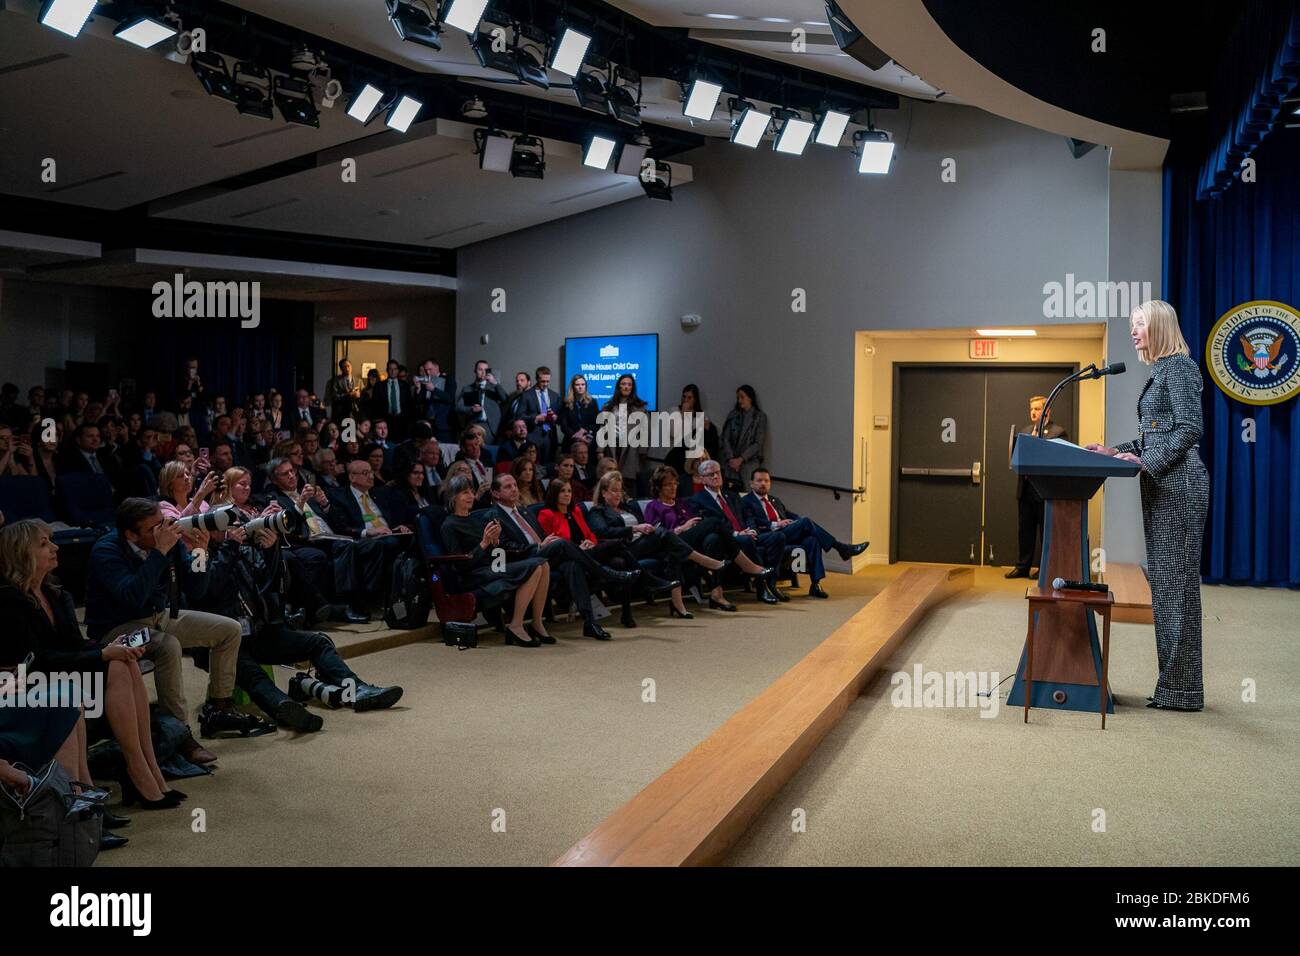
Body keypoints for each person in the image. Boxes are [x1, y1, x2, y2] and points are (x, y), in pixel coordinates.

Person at [0, 519, 182, 814]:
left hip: (61, 672)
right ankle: (139, 773)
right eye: (44, 543)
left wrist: (109, 648)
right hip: (29, 681)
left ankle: (147, 768)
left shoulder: (57, 593)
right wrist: (101, 655)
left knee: (124, 662)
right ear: (21, 552)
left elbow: (73, 644)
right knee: (114, 663)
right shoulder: (9, 599)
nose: (55, 547)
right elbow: (37, 659)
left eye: (51, 540)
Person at [1085, 300, 1208, 712]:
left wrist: (1147, 462)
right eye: (1132, 325)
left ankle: (1183, 691)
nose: (1133, 332)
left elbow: (1191, 429)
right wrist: (1113, 451)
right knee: (1168, 586)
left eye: (1140, 325)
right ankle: (1175, 687)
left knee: (1178, 590)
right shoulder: (1160, 371)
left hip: (1180, 486)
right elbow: (1153, 438)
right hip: (1163, 486)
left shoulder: (1180, 367)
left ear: (1159, 326)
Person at [83, 498, 271, 761]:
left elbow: (198, 589)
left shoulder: (165, 540)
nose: (163, 529)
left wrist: (200, 552)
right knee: (168, 645)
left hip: (160, 617)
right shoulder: (106, 551)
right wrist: (159, 553)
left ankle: (219, 708)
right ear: (130, 534)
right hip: (118, 631)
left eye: (162, 522)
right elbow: (132, 597)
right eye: (153, 528)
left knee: (228, 629)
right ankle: (179, 734)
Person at [198, 521, 403, 732]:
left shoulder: (244, 550)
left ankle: (356, 690)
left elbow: (275, 585)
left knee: (317, 642)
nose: (237, 529)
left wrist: (270, 552)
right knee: (253, 675)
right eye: (228, 525)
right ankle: (284, 708)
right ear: (212, 530)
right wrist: (229, 548)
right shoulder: (199, 551)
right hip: (223, 643)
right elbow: (204, 590)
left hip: (260, 632)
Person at [495, 473, 642, 640]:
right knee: (562, 543)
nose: (514, 489)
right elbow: (505, 545)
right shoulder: (496, 515)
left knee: (573, 565)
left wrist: (586, 542)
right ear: (495, 493)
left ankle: (589, 623)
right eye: (508, 487)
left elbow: (545, 534)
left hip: (556, 556)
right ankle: (608, 573)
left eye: (515, 485)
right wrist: (539, 546)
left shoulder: (524, 511)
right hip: (529, 556)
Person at [587, 471, 730, 620]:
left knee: (671, 549)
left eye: (620, 490)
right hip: (625, 549)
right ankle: (702, 560)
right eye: (614, 490)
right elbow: (602, 531)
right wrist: (635, 528)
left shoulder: (628, 508)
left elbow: (645, 524)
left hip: (643, 543)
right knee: (666, 535)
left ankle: (678, 603)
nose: (618, 494)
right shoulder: (597, 511)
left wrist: (647, 529)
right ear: (604, 493)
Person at [439, 475, 551, 648]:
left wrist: (496, 542)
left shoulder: (475, 519)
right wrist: (484, 543)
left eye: (471, 492)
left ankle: (536, 622)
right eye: (464, 493)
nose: (470, 496)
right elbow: (460, 564)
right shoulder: (449, 525)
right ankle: (516, 625)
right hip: (472, 574)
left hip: (492, 567)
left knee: (543, 564)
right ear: (453, 497)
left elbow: (495, 554)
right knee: (536, 565)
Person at [644, 465, 776, 611]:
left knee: (714, 539)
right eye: (668, 484)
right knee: (714, 522)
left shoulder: (681, 503)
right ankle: (746, 565)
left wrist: (692, 526)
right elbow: (656, 534)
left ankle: (716, 593)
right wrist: (681, 528)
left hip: (691, 541)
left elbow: (695, 520)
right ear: (659, 487)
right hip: (674, 542)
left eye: (675, 483)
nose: (673, 487)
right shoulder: (653, 506)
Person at [740, 467, 868, 598]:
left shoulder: (774, 500)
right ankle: (841, 548)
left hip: (786, 533)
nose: (763, 484)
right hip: (769, 536)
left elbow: (790, 514)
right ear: (751, 483)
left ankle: (815, 585)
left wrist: (796, 522)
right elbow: (752, 521)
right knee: (806, 522)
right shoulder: (746, 501)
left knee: (812, 539)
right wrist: (776, 524)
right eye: (759, 480)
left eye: (766, 481)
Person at [688, 459, 782, 604]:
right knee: (745, 540)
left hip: (747, 533)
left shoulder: (732, 495)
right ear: (702, 479)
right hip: (728, 539)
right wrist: (737, 534)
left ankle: (772, 583)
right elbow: (707, 525)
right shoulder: (697, 500)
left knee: (778, 537)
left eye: (717, 473)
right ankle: (762, 586)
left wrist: (752, 529)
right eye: (710, 474)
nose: (715, 477)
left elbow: (747, 516)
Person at [1005, 395, 1068, 578]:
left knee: (1046, 531)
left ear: (1047, 410)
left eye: (1037, 409)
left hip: (1044, 490)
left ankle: (1045, 567)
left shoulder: (1058, 432)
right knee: (1025, 530)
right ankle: (1022, 566)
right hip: (1025, 488)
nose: (1033, 412)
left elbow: (1058, 459)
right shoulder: (1024, 431)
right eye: (1031, 409)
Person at [599, 374, 650, 498]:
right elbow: (602, 429)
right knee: (611, 479)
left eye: (629, 384)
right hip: (612, 445)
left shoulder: (640, 407)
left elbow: (645, 432)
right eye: (623, 384)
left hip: (631, 449)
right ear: (618, 386)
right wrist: (599, 450)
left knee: (628, 482)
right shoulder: (608, 406)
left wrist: (643, 451)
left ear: (633, 387)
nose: (626, 387)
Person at [664, 384, 721, 475]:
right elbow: (673, 433)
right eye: (684, 396)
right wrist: (683, 414)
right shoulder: (673, 411)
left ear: (695, 400)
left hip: (691, 460)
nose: (686, 400)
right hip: (675, 455)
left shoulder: (700, 415)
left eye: (689, 398)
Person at [720, 384, 767, 488]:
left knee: (748, 494)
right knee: (730, 493)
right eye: (738, 398)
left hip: (749, 464)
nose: (739, 400)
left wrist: (741, 459)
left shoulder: (759, 417)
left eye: (742, 397)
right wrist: (731, 458)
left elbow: (758, 443)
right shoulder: (733, 415)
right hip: (730, 464)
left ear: (750, 398)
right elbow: (725, 438)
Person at [517, 366, 562, 463]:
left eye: (548, 381)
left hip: (550, 437)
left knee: (549, 466)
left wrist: (556, 417)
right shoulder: (527, 395)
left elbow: (561, 417)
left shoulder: (555, 396)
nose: (545, 384)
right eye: (543, 381)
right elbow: (519, 416)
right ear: (537, 379)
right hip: (533, 436)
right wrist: (536, 418)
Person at [455, 360, 510, 438]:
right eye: (480, 369)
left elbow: (505, 400)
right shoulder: (467, 388)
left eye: (485, 370)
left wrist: (495, 383)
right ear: (475, 371)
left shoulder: (494, 387)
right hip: (473, 424)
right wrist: (471, 409)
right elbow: (458, 407)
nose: (483, 372)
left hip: (491, 426)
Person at [411, 359, 457, 441]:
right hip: (427, 424)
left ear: (437, 367)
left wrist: (433, 389)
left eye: (430, 369)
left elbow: (449, 398)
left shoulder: (448, 379)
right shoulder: (424, 380)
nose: (427, 372)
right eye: (426, 370)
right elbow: (418, 402)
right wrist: (418, 388)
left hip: (443, 424)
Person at [560, 374, 599, 452]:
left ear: (586, 386)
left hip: (588, 441)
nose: (580, 387)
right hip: (570, 442)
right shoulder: (566, 403)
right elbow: (564, 425)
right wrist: (576, 436)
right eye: (577, 385)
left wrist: (585, 431)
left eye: (583, 384)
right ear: (573, 387)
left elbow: (596, 423)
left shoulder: (592, 402)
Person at [325, 358, 362, 424]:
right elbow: (335, 397)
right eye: (344, 367)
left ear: (351, 366)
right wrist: (349, 395)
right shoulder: (335, 381)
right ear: (341, 369)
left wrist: (359, 396)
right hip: (340, 413)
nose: (347, 368)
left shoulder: (358, 381)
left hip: (355, 413)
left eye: (348, 366)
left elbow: (363, 396)